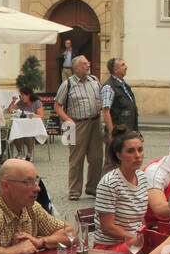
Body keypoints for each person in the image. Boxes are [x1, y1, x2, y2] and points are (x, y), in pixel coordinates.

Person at [53, 56, 111, 201]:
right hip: (76, 124)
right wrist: (67, 119)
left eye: (88, 62)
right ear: (76, 68)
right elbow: (57, 105)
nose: (88, 65)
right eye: (84, 63)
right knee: (76, 159)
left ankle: (92, 187)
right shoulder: (68, 84)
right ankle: (74, 190)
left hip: (95, 122)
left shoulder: (94, 81)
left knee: (97, 157)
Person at [95, 130, 148, 250]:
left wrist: (145, 235)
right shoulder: (109, 183)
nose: (137, 155)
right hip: (110, 246)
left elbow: (140, 217)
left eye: (140, 149)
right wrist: (135, 238)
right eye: (130, 151)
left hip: (135, 241)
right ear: (119, 155)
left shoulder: (142, 177)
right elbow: (107, 227)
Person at [103, 56, 138, 134]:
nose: (126, 67)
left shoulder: (124, 85)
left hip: (128, 130)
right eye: (123, 65)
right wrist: (111, 133)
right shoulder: (109, 87)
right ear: (115, 70)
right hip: (118, 132)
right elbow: (106, 111)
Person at [9, 86, 44, 160]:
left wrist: (30, 114)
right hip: (22, 126)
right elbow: (10, 111)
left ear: (28, 95)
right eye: (20, 95)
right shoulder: (21, 103)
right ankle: (19, 153)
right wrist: (13, 102)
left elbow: (41, 116)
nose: (21, 97)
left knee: (29, 133)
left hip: (34, 126)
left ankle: (29, 154)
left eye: (22, 95)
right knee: (15, 132)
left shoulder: (37, 102)